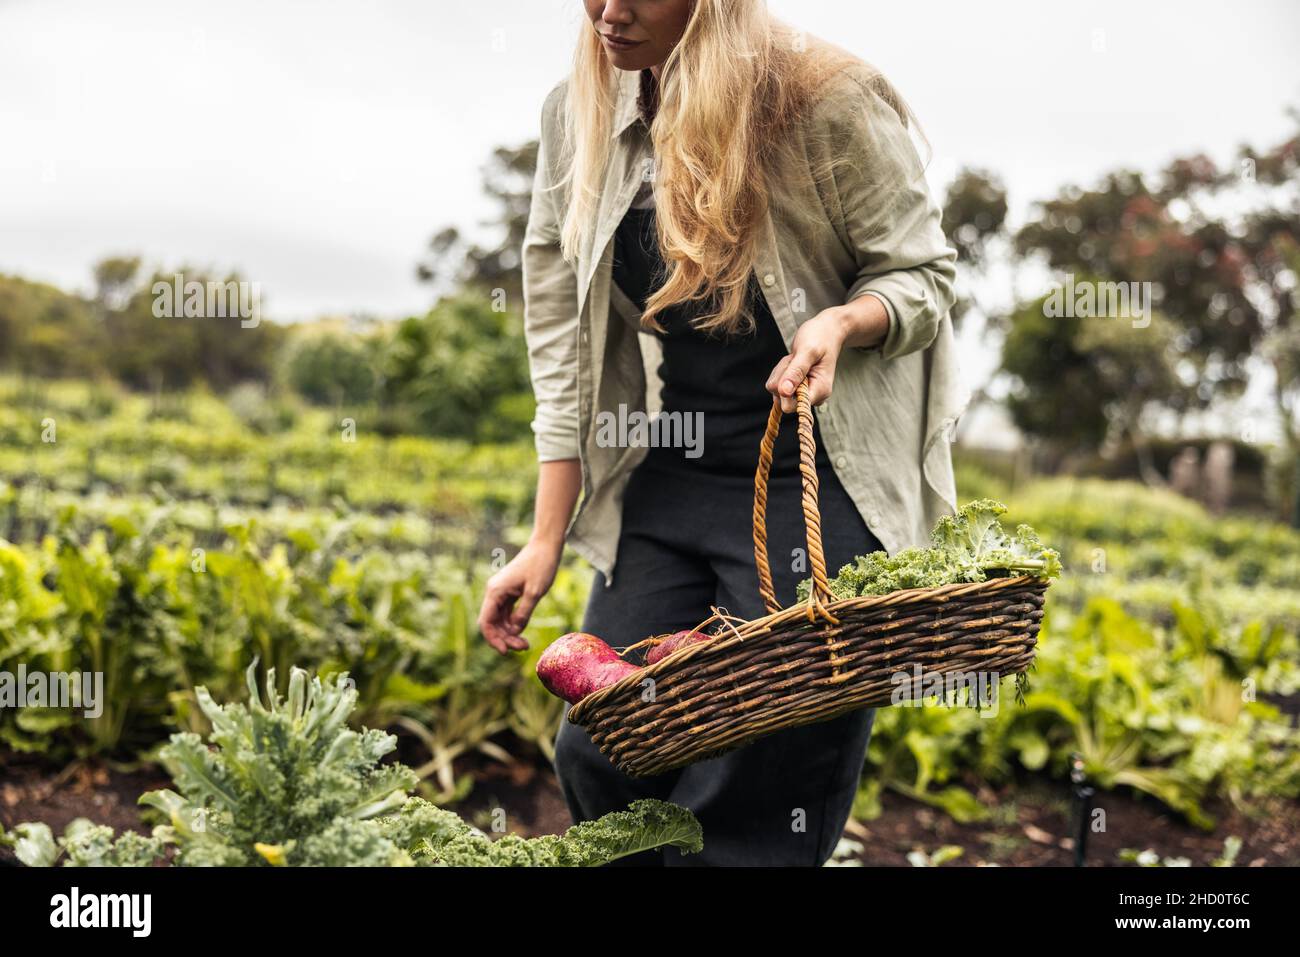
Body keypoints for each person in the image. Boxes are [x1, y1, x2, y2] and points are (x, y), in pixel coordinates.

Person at [477, 0, 963, 866]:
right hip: (679, 465)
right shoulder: (579, 110)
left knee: (761, 790)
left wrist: (844, 324)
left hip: (818, 475)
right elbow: (562, 340)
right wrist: (546, 535)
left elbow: (922, 272)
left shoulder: (826, 98)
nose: (608, 11)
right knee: (608, 747)